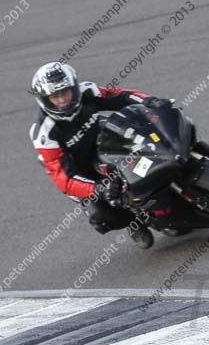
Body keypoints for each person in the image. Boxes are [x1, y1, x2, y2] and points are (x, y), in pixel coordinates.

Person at [29, 62, 172, 248]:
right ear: (44, 99)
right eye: (55, 96)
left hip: (105, 140)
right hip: (80, 170)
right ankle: (132, 222)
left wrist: (149, 101)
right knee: (101, 217)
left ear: (74, 87)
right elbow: (65, 179)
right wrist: (98, 188)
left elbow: (120, 96)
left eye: (65, 92)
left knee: (149, 141)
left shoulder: (87, 91)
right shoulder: (44, 133)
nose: (62, 100)